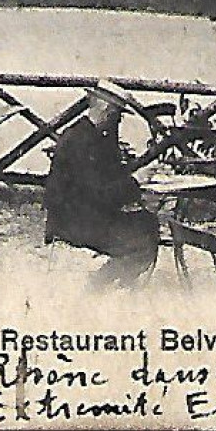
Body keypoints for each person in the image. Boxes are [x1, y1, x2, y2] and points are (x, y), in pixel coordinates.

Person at [43, 85, 161, 287]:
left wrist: (141, 174)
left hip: (88, 213)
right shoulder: (79, 142)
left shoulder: (95, 136)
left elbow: (109, 177)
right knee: (141, 243)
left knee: (148, 223)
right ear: (107, 111)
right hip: (73, 221)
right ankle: (98, 285)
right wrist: (135, 182)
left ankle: (113, 282)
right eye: (118, 115)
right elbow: (99, 195)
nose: (118, 121)